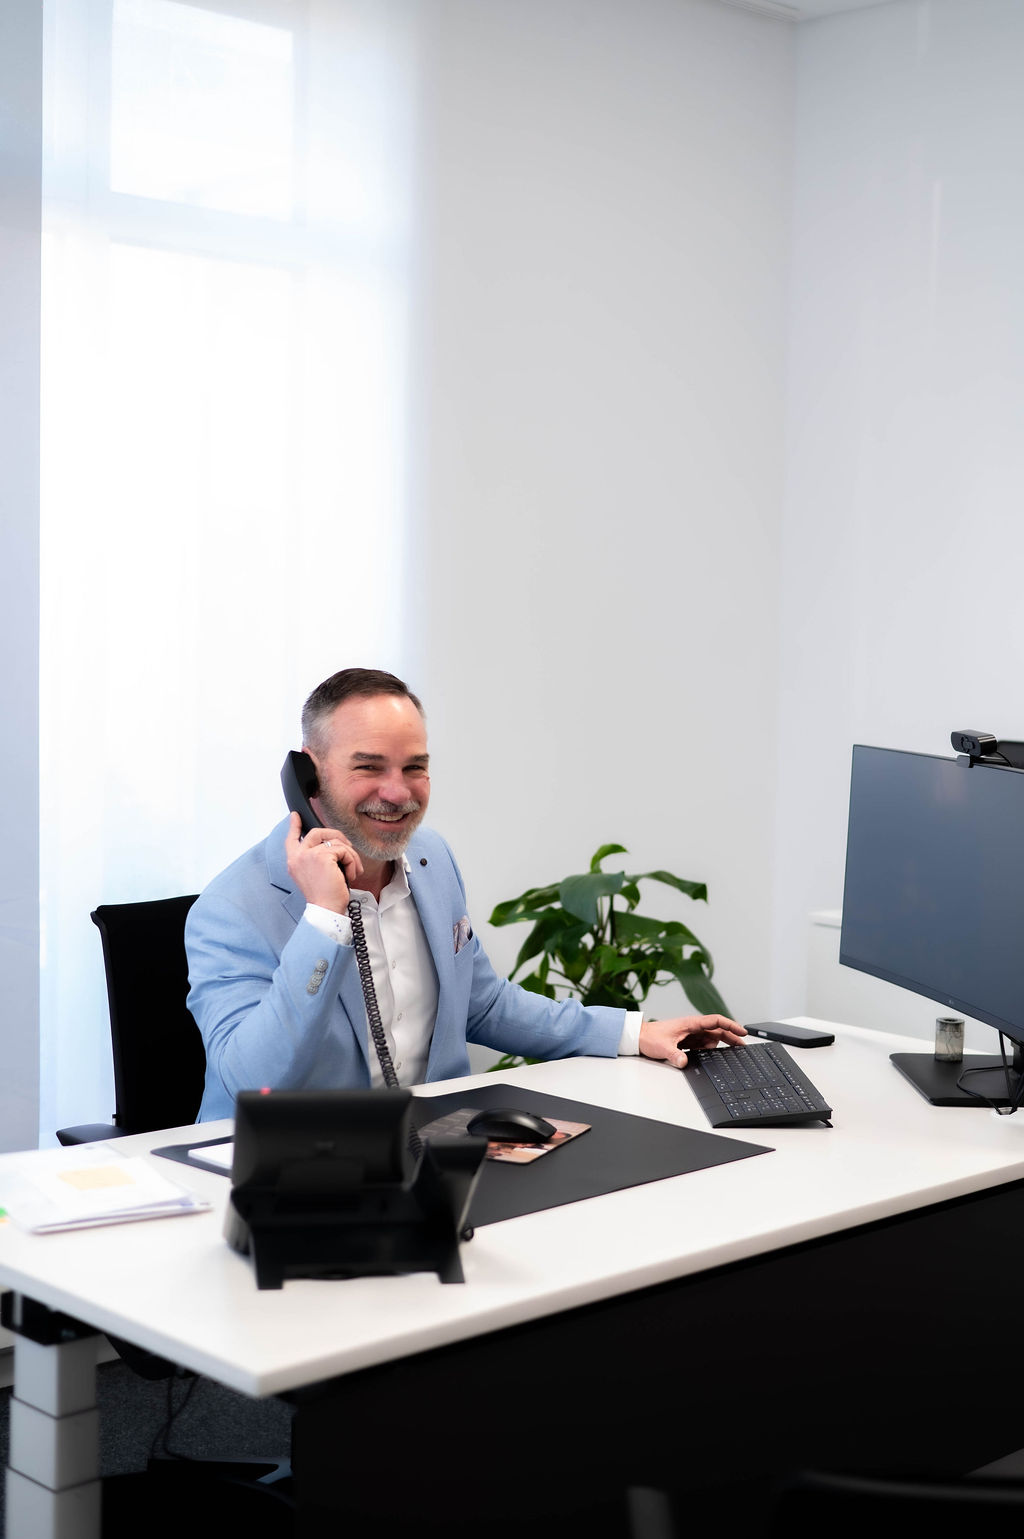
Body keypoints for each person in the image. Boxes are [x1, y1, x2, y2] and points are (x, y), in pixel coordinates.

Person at [185, 668, 746, 1119]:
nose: (397, 793)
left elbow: (482, 1003)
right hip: (287, 1173)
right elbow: (251, 1083)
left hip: (429, 1151)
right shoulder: (231, 909)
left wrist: (632, 1032)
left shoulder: (431, 860)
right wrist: (324, 918)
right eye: (369, 767)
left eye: (415, 767)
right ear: (308, 775)